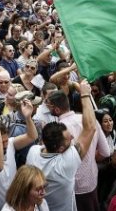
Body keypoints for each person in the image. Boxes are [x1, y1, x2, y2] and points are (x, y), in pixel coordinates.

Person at [25, 79, 96, 210]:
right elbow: (90, 128)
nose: (74, 137)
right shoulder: (65, 165)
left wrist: (28, 118)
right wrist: (85, 95)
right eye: (70, 139)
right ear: (61, 149)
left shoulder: (34, 152)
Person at [0, 99, 38, 211]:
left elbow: (32, 136)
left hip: (13, 206)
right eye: (0, 142)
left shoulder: (10, 143)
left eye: (5, 141)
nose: (5, 145)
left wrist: (28, 118)